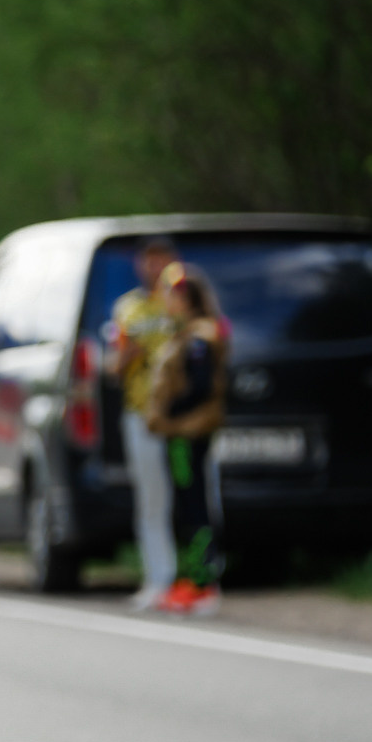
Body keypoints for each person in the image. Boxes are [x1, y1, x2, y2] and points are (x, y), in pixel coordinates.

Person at [145, 264, 229, 617]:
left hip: (187, 434)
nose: (167, 301)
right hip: (178, 434)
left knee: (195, 508)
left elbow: (201, 388)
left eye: (173, 295)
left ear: (188, 298)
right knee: (184, 507)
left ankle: (202, 582)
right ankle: (189, 579)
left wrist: (167, 412)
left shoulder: (200, 338)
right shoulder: (182, 334)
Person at [110, 237, 182, 611]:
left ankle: (197, 578)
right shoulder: (128, 308)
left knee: (194, 495)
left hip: (184, 416)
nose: (155, 267)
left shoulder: (184, 300)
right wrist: (126, 355)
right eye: (149, 260)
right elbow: (113, 367)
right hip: (143, 414)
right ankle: (158, 578)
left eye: (162, 259)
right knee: (152, 499)